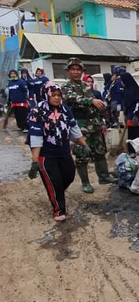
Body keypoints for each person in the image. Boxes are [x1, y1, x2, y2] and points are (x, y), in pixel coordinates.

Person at [27, 82, 90, 221]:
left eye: (59, 95)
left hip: (64, 151)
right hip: (46, 154)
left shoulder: (65, 110)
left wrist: (84, 145)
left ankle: (56, 192)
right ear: (46, 95)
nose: (56, 98)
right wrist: (35, 161)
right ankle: (59, 210)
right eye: (53, 95)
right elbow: (36, 137)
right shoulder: (37, 112)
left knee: (69, 176)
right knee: (54, 181)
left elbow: (74, 129)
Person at [63, 57, 115, 193]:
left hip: (94, 123)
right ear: (68, 71)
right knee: (82, 154)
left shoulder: (86, 86)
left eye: (78, 69)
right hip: (79, 124)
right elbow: (73, 99)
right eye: (73, 69)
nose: (75, 72)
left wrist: (101, 122)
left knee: (99, 151)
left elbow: (95, 107)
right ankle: (85, 183)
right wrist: (91, 100)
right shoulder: (66, 87)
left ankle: (103, 176)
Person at [111, 69, 139, 140]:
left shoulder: (134, 90)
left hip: (138, 118)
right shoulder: (126, 90)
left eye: (122, 81)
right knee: (132, 136)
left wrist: (135, 115)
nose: (121, 83)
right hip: (130, 117)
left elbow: (138, 103)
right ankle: (132, 150)